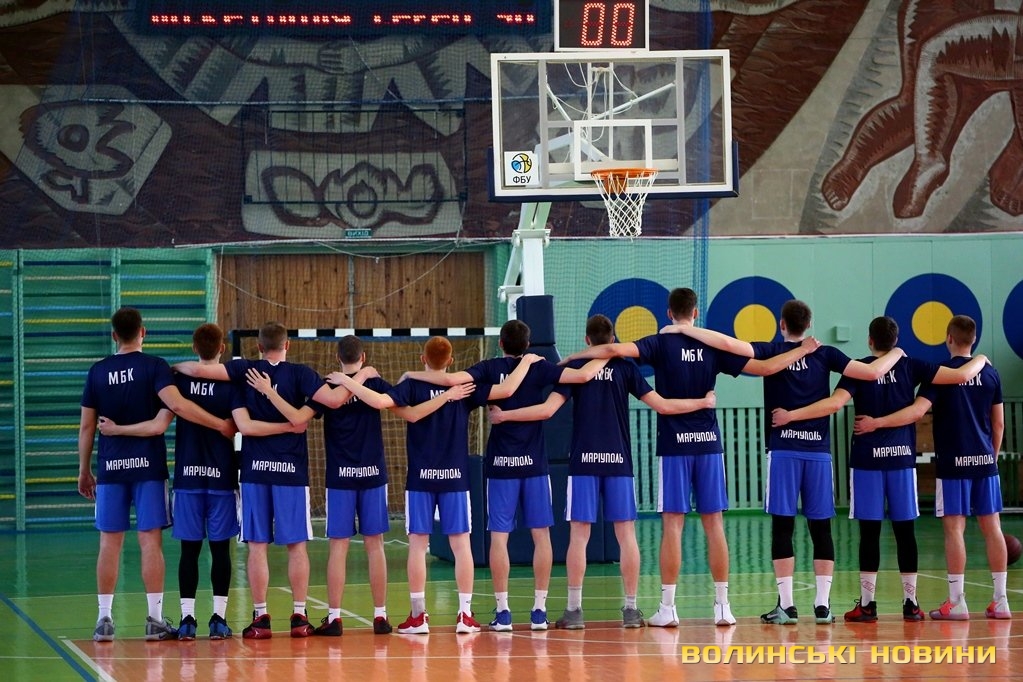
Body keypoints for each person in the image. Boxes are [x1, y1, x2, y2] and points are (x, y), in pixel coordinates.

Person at [560, 289, 821, 627]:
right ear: (695, 313)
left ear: (669, 313)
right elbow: (766, 368)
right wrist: (802, 349)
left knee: (673, 526)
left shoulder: (659, 343)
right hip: (709, 444)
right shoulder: (712, 345)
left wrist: (573, 358)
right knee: (715, 525)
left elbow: (612, 350)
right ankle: (723, 606)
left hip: (674, 445)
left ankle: (668, 608)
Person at [669, 299, 905, 625]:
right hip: (819, 453)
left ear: (782, 324)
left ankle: (788, 606)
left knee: (783, 527)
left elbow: (728, 344)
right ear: (809, 324)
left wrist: (685, 329)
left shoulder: (772, 351)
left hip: (783, 450)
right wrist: (897, 351)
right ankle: (822, 606)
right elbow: (873, 371)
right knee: (821, 527)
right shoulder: (826, 353)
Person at [488, 314, 717, 630]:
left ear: (587, 340)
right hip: (618, 460)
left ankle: (574, 610)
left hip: (584, 461)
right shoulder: (626, 368)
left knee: (579, 536)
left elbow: (547, 410)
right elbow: (664, 406)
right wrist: (703, 402)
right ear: (613, 340)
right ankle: (631, 609)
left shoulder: (577, 370)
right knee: (626, 535)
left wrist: (505, 417)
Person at [770, 316, 988, 622]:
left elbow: (833, 404)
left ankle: (868, 604)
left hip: (867, 462)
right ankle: (911, 603)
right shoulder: (911, 366)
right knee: (905, 532)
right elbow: (960, 375)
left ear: (870, 341)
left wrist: (791, 416)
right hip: (901, 460)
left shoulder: (859, 369)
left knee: (869, 533)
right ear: (896, 340)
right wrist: (981, 359)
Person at [400, 319, 607, 631]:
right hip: (534, 465)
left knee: (499, 537)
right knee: (541, 536)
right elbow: (583, 375)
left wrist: (412, 374)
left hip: (500, 464)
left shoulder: (488, 368)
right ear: (528, 344)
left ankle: (503, 611)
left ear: (500, 343)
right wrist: (609, 352)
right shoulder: (539, 366)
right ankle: (539, 611)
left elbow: (450, 379)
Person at [330, 336, 540, 634]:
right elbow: (507, 389)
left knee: (418, 546)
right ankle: (465, 614)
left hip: (421, 478)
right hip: (455, 477)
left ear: (422, 359)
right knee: (461, 545)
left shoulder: (412, 386)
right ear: (451, 361)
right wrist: (527, 361)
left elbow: (378, 401)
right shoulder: (465, 387)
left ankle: (418, 616)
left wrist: (349, 380)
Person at [172, 321, 355, 639]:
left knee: (257, 547)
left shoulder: (245, 371)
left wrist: (170, 368)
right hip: (291, 473)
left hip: (255, 472)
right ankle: (299, 616)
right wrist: (359, 376)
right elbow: (334, 400)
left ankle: (260, 617)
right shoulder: (302, 374)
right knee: (296, 546)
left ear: (258, 346)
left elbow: (203, 374)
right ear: (288, 345)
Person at [246, 335, 438, 636]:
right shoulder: (374, 384)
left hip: (339, 477)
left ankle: (334, 617)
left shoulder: (328, 387)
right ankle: (380, 615)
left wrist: (271, 394)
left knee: (338, 548)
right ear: (363, 357)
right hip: (373, 474)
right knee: (375, 546)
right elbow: (407, 408)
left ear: (338, 358)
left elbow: (299, 418)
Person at [77, 307, 236, 643]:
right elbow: (177, 408)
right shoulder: (154, 367)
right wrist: (220, 424)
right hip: (148, 468)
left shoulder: (97, 372)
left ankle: (104, 619)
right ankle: (154, 619)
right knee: (150, 541)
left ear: (114, 335)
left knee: (109, 543)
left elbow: (87, 426)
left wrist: (84, 470)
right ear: (143, 332)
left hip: (110, 469)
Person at [854, 315, 1008, 620]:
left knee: (955, 530)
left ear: (949, 338)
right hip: (985, 462)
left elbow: (916, 412)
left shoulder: (940, 375)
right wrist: (991, 457)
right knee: (993, 528)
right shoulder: (990, 373)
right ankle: (1001, 600)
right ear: (973, 339)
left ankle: (957, 601)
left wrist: (877, 423)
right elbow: (999, 423)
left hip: (953, 463)